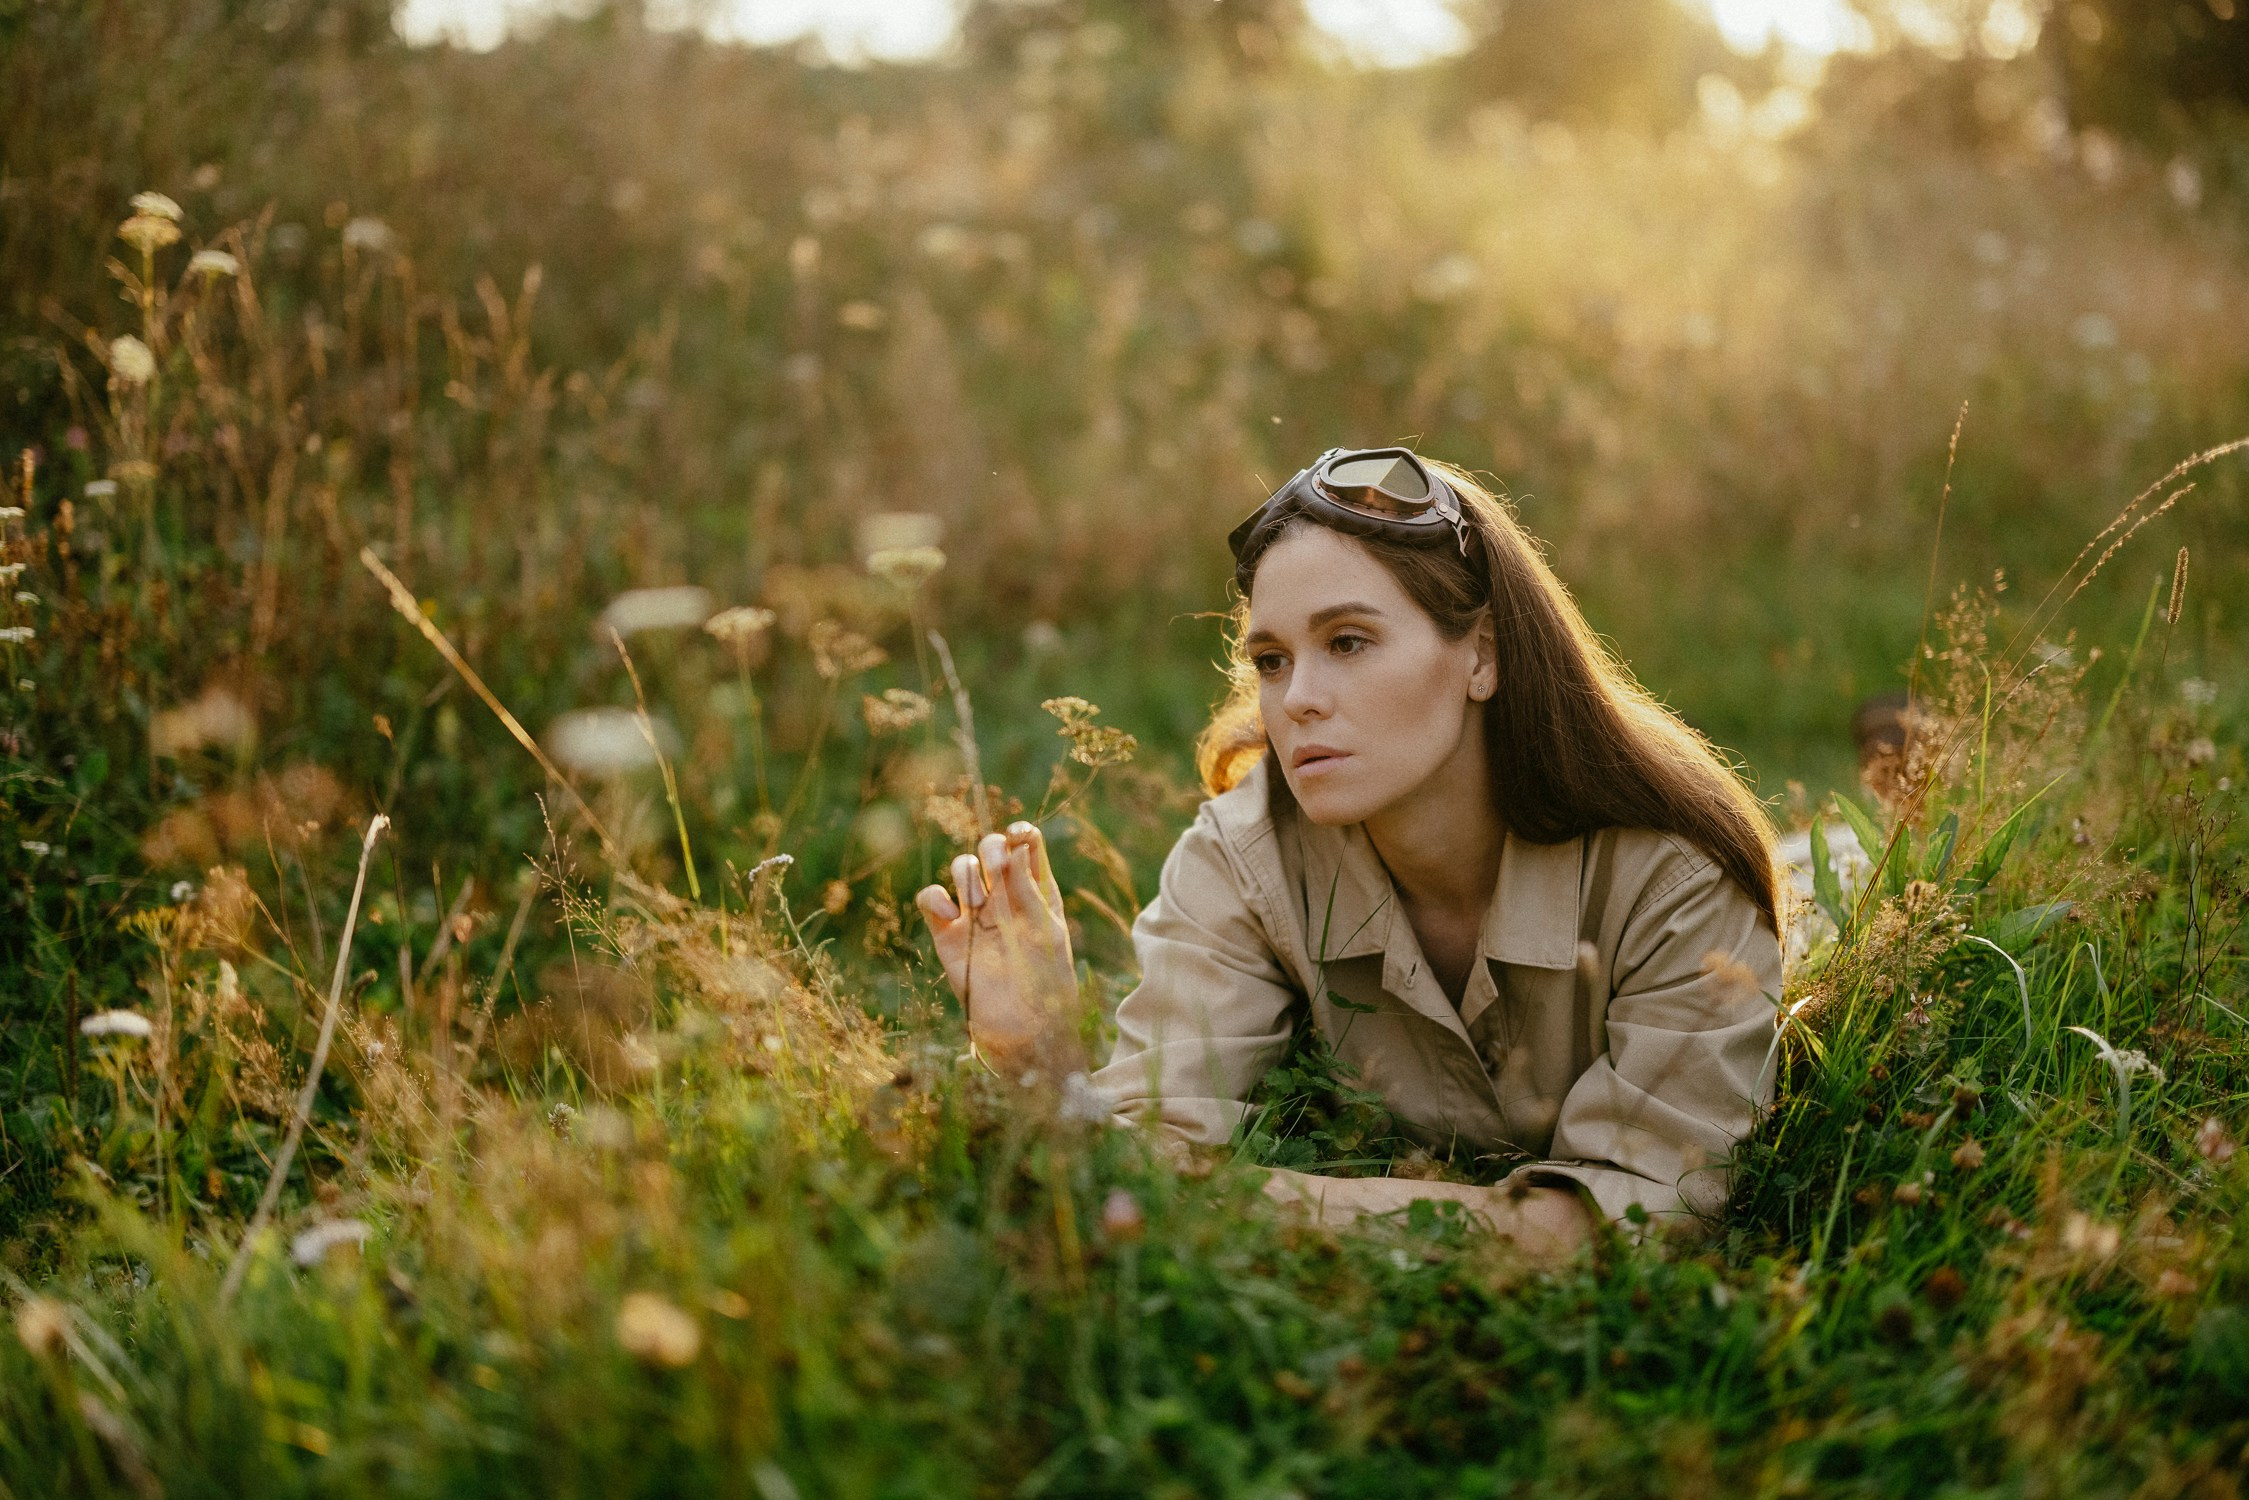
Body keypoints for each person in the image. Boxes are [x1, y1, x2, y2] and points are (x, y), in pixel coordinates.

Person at [915, 447, 1784, 1261]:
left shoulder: (1671, 883)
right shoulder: (1243, 855)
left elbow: (1625, 1225)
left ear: (1481, 655)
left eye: (1347, 643)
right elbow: (1141, 1162)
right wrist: (1044, 1069)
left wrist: (1236, 1201)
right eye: (1270, 658)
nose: (1295, 700)